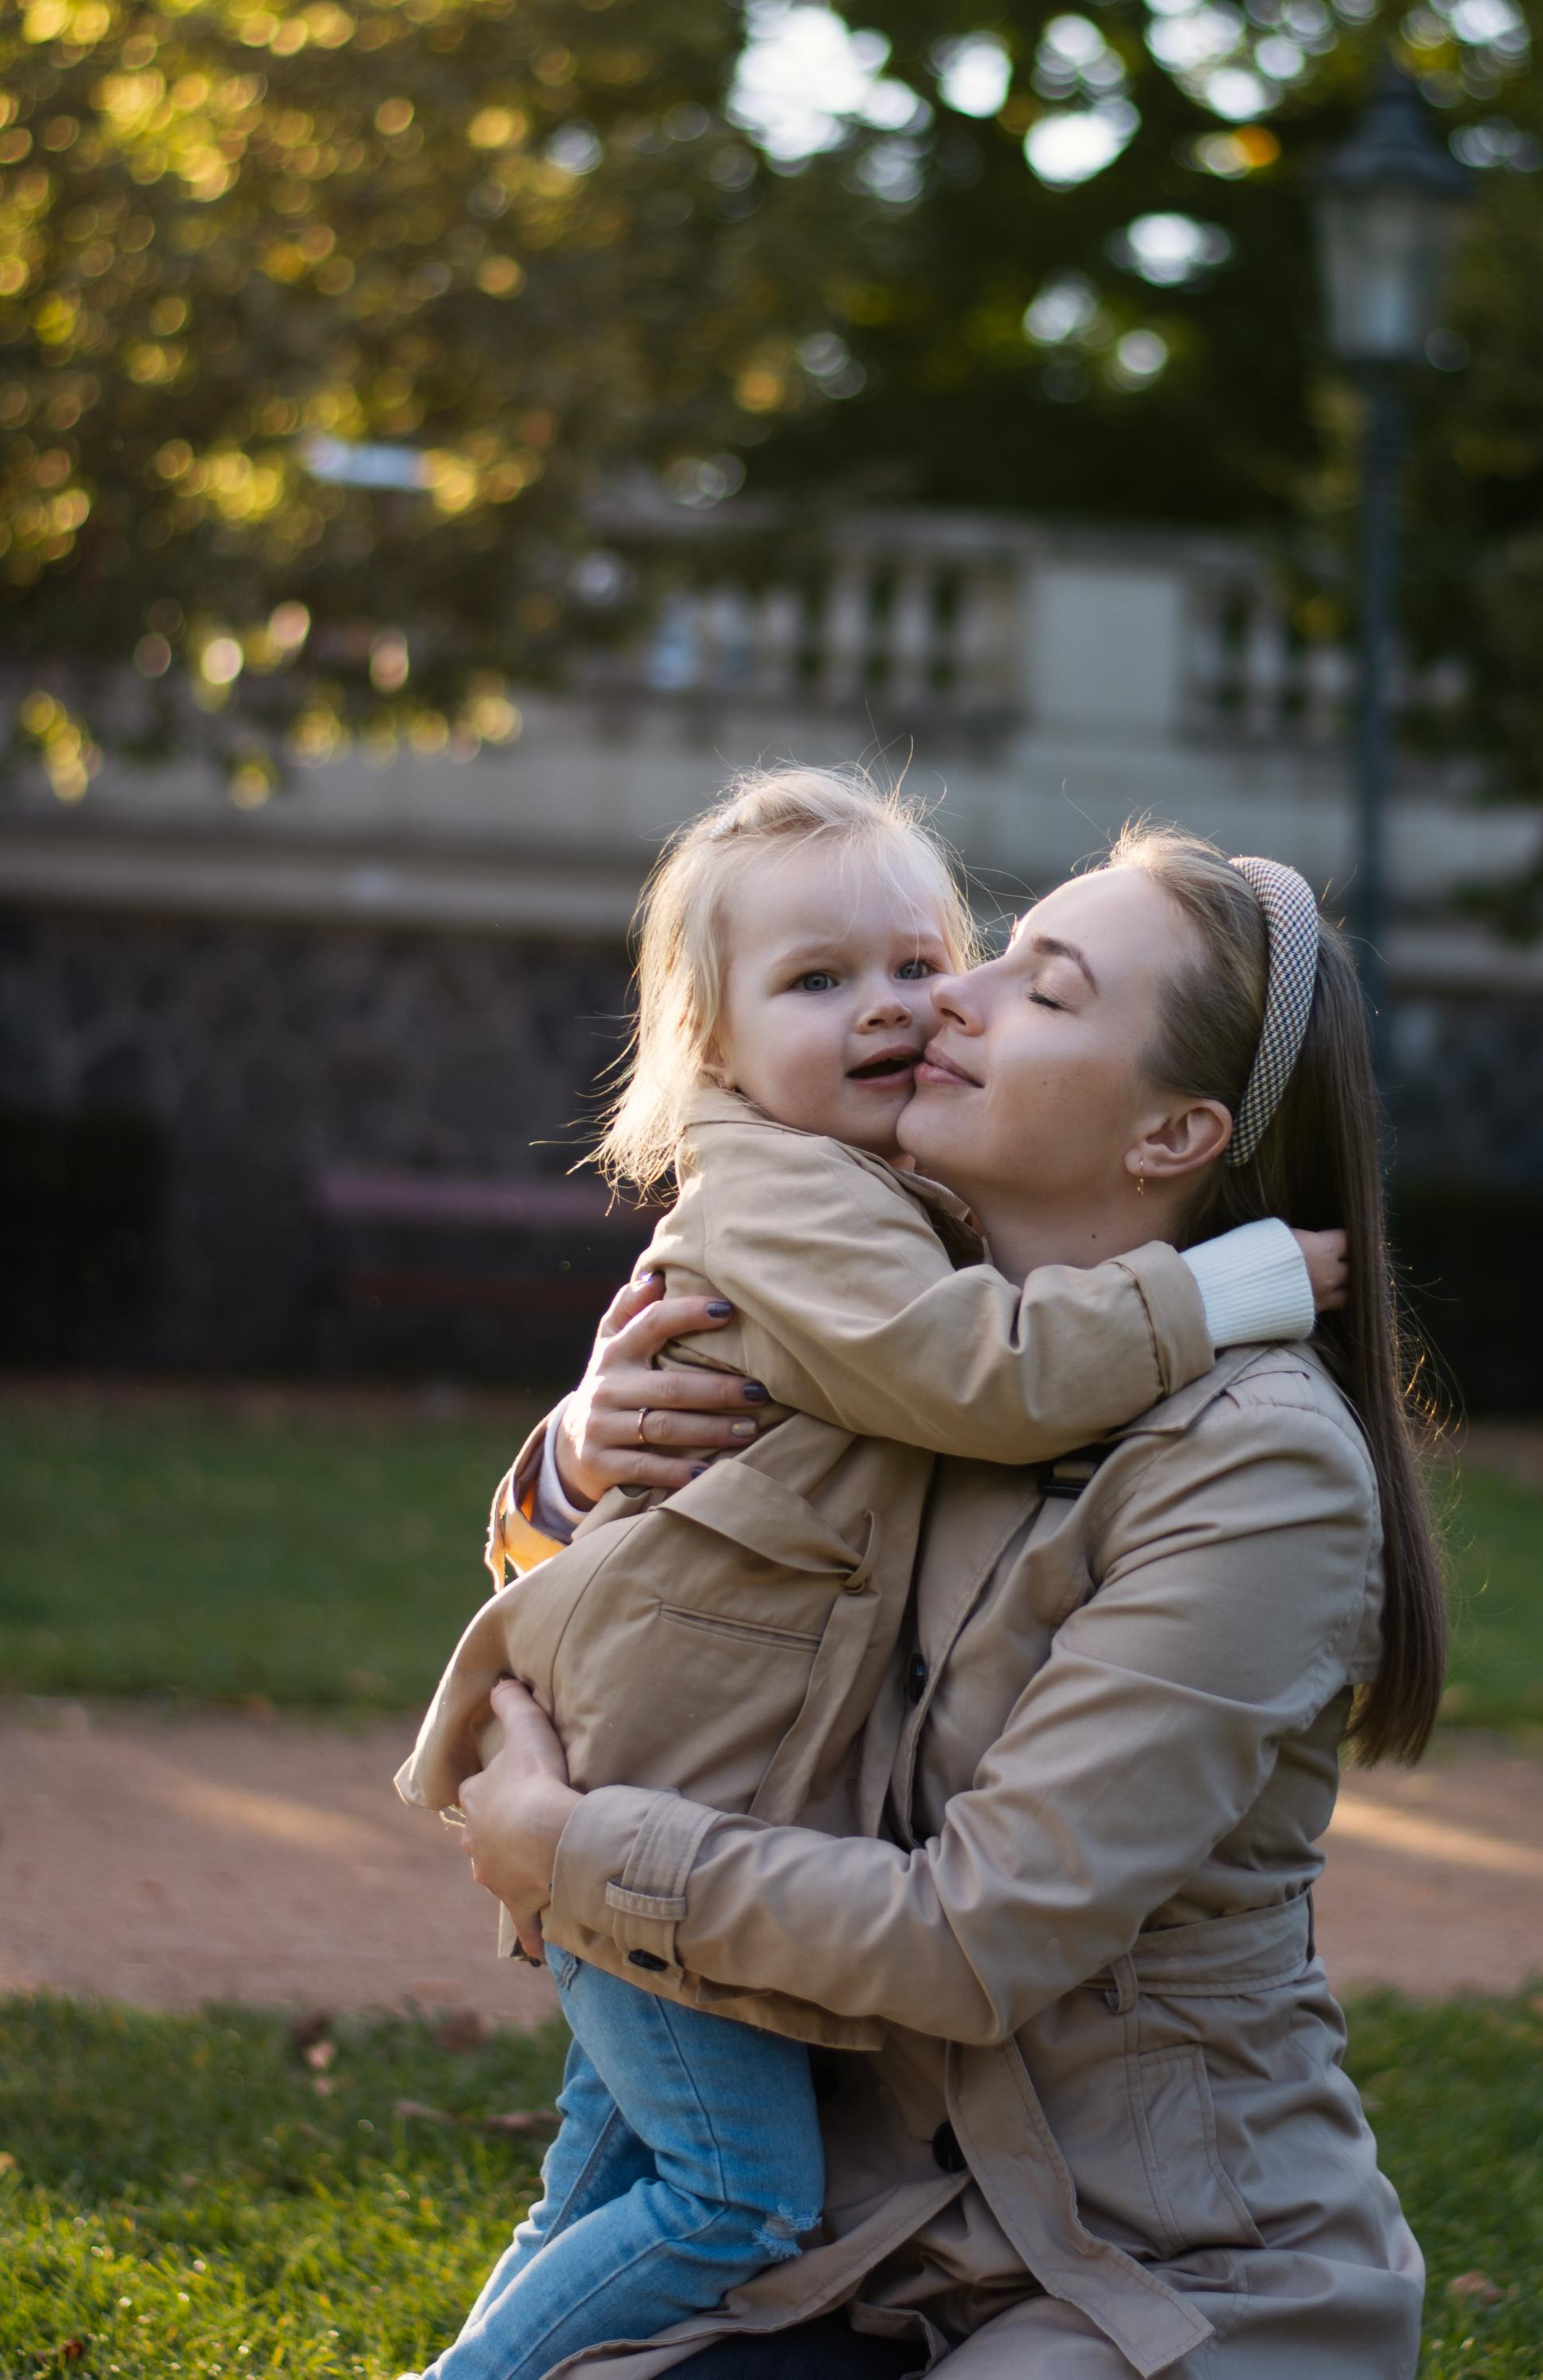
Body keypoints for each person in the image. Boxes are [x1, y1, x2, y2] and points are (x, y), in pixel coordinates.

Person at [458, 822, 1442, 2380]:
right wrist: (578, 1466)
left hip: (1161, 2282)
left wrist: (568, 1849)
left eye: (1036, 990)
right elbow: (685, 1589)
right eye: (982, 953)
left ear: (1173, 1137)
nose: (944, 1002)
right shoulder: (903, 1350)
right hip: (888, 2233)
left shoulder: (1254, 1469)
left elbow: (977, 1934)